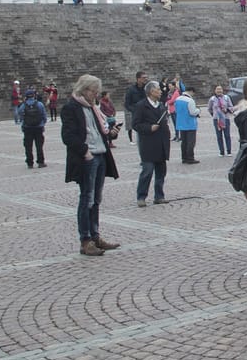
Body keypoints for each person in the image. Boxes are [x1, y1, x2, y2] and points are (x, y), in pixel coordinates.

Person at [60, 74, 122, 256]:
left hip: (101, 156)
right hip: (87, 158)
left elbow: (98, 132)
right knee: (87, 199)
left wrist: (111, 133)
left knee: (96, 200)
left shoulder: (93, 108)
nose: (96, 95)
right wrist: (85, 151)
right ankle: (85, 240)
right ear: (85, 90)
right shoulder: (71, 108)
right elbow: (68, 136)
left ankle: (95, 236)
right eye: (94, 92)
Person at [133, 81, 171, 206]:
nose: (161, 91)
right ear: (151, 91)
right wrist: (149, 128)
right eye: (158, 89)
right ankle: (141, 196)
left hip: (161, 143)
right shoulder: (141, 106)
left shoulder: (161, 105)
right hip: (148, 144)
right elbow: (136, 124)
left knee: (161, 172)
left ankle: (159, 196)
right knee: (147, 171)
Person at [18, 89, 48, 169]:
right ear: (34, 96)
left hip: (27, 128)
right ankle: (41, 162)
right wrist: (42, 124)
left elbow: (20, 115)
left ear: (26, 97)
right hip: (38, 127)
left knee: (28, 146)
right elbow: (44, 116)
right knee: (39, 146)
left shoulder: (23, 105)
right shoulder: (39, 104)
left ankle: (30, 163)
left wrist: (23, 123)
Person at [175, 87, 200, 164]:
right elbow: (192, 112)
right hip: (190, 123)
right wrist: (198, 110)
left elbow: (176, 110)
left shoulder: (178, 99)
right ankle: (190, 158)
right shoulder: (190, 100)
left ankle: (184, 157)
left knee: (184, 142)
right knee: (190, 142)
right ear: (191, 91)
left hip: (181, 123)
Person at [123, 71, 148, 145]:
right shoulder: (131, 89)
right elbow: (127, 104)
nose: (145, 79)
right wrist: (135, 110)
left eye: (146, 77)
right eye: (143, 78)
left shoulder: (147, 88)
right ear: (138, 79)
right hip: (137, 115)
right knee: (140, 137)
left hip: (147, 114)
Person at [209, 85, 234, 157]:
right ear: (215, 91)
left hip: (225, 118)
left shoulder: (226, 97)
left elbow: (231, 107)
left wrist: (227, 110)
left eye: (220, 89)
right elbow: (209, 108)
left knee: (227, 135)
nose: (219, 91)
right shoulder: (212, 99)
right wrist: (214, 115)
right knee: (219, 136)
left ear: (222, 90)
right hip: (217, 119)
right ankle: (221, 151)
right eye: (217, 89)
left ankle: (229, 151)